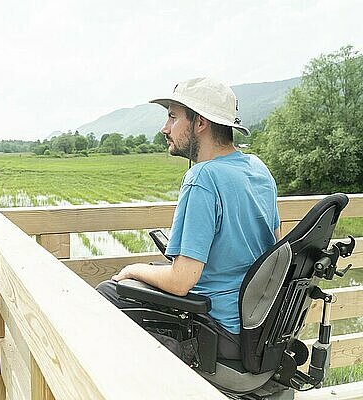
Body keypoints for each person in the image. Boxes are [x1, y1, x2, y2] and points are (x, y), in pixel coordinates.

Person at [96, 77, 280, 359]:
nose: (165, 128)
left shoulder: (202, 178)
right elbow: (274, 243)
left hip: (217, 329)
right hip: (258, 327)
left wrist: (134, 268)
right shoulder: (257, 168)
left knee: (108, 292)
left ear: (200, 123)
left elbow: (182, 282)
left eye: (172, 117)